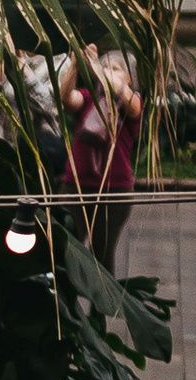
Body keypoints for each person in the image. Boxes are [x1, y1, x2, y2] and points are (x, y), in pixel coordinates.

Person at [57, 50, 141, 271]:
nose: (108, 73)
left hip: (114, 191)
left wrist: (105, 73)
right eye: (105, 68)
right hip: (75, 186)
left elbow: (133, 107)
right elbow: (65, 97)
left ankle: (102, 306)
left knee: (102, 256)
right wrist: (75, 64)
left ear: (129, 78)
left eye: (116, 69)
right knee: (66, 250)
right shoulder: (87, 98)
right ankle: (65, 304)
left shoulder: (132, 102)